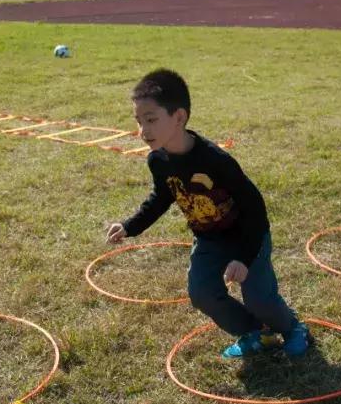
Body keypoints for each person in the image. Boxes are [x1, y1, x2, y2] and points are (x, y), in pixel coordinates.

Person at [106, 69, 311, 358]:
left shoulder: (216, 160)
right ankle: (255, 332)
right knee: (202, 294)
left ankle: (292, 328)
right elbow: (161, 198)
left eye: (151, 120)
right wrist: (130, 226)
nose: (143, 130)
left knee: (259, 299)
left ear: (179, 117)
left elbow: (255, 209)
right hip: (209, 240)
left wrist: (244, 256)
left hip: (246, 237)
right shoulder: (158, 161)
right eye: (139, 121)